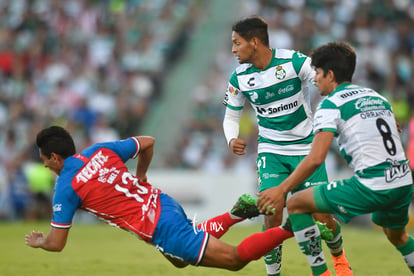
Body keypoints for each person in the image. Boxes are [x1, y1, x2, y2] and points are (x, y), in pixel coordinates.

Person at [25, 125, 303, 271]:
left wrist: (40, 243)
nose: (44, 163)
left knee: (234, 260)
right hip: (164, 204)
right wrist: (142, 176)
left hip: (158, 226)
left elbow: (57, 243)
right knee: (179, 260)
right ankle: (235, 214)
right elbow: (148, 142)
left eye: (44, 158)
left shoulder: (65, 186)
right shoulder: (98, 150)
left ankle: (290, 228)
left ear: (54, 157)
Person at [257, 41, 414, 275]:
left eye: (318, 73)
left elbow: (315, 158)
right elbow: (394, 127)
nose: (314, 79)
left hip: (373, 184)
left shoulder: (330, 105)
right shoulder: (376, 96)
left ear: (330, 74)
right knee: (397, 235)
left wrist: (281, 189)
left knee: (295, 203)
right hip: (402, 182)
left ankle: (322, 273)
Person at [223, 16, 352, 275]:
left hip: (306, 149)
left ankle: (340, 260)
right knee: (271, 212)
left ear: (255, 42)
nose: (234, 50)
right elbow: (231, 115)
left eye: (237, 43)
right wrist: (231, 138)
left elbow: (326, 80)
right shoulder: (239, 77)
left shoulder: (294, 62)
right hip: (271, 151)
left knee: (322, 217)